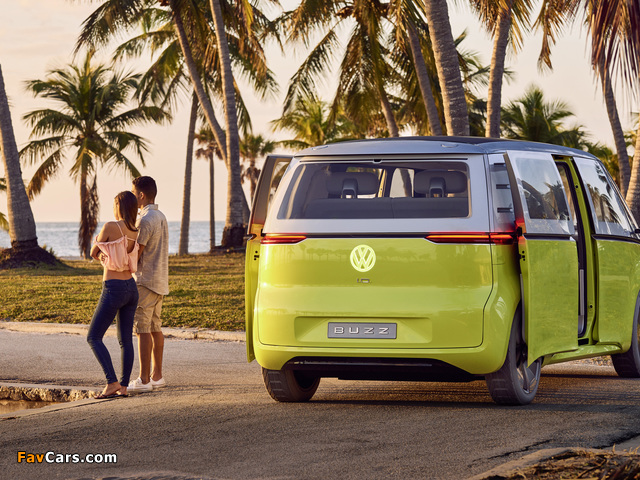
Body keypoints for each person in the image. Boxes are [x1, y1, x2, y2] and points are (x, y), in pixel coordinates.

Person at [87, 191, 140, 399]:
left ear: (119, 205)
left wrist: (102, 255)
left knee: (93, 337)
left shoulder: (111, 226)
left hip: (113, 287)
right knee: (126, 341)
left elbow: (93, 251)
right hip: (131, 288)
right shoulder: (135, 230)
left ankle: (112, 382)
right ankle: (124, 387)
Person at [128, 176, 169, 393]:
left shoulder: (144, 220)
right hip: (160, 280)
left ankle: (144, 379)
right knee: (155, 328)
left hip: (145, 280)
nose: (132, 197)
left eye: (134, 193)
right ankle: (157, 376)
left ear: (141, 195)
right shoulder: (160, 216)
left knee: (142, 329)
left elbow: (137, 253)